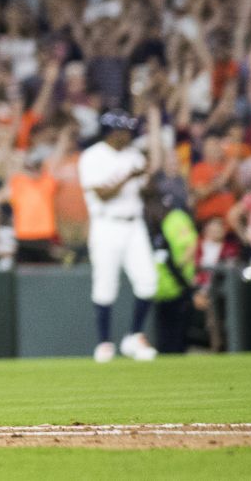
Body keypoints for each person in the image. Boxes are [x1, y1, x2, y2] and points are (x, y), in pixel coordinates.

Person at [79, 108, 158, 363]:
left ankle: (134, 336)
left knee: (148, 281)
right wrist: (129, 176)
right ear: (111, 132)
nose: (127, 134)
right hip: (106, 224)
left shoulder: (133, 155)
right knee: (105, 286)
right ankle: (104, 343)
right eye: (123, 130)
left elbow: (147, 192)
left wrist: (147, 175)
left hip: (134, 223)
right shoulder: (92, 157)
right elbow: (101, 194)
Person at [146, 187, 200, 354]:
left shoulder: (176, 219)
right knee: (165, 336)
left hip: (178, 284)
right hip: (163, 288)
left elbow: (191, 244)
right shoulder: (158, 223)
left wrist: (180, 267)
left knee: (177, 336)